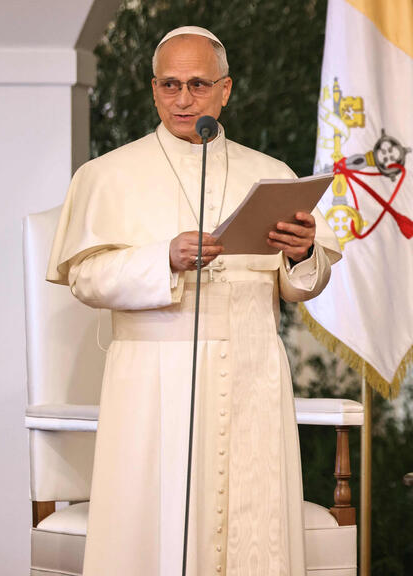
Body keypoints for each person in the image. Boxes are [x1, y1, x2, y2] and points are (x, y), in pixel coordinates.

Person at [47, 26, 341, 576]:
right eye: (170, 85)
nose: (183, 99)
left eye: (198, 85)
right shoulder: (106, 174)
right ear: (153, 89)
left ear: (225, 90)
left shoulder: (271, 174)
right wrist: (163, 257)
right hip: (153, 381)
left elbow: (301, 285)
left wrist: (302, 252)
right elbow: (84, 278)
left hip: (254, 372)